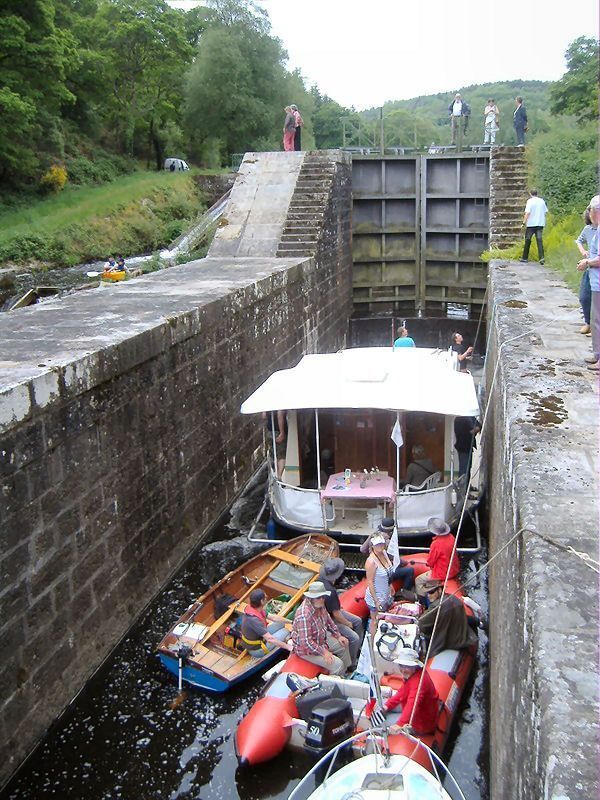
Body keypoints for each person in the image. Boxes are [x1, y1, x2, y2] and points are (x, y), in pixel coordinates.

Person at [291, 581, 351, 676]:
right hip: (306, 650)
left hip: (321, 639)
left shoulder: (320, 604)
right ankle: (335, 680)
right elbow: (306, 642)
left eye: (323, 596)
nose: (322, 599)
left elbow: (329, 621)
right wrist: (323, 652)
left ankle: (346, 672)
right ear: (311, 598)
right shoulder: (304, 615)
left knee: (343, 645)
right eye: (319, 597)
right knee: (337, 665)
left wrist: (338, 635)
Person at [375, 647, 440, 736]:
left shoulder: (418, 682)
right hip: (416, 712)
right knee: (381, 705)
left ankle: (378, 738)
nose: (403, 669)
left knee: (380, 722)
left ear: (414, 666)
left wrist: (400, 724)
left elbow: (413, 703)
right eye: (401, 666)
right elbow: (402, 692)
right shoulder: (414, 674)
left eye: (407, 666)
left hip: (420, 723)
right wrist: (387, 706)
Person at [319, 558, 363, 670]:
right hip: (330, 618)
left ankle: (357, 650)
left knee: (358, 620)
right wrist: (348, 623)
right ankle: (353, 663)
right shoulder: (331, 591)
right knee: (354, 637)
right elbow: (337, 615)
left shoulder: (320, 580)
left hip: (331, 613)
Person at [417, 580, 478, 658]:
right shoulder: (453, 598)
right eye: (427, 593)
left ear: (439, 590)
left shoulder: (436, 607)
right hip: (461, 638)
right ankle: (479, 623)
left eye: (431, 592)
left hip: (448, 642)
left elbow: (421, 625)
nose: (429, 596)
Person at [577, 194, 600, 372]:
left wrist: (587, 262)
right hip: (594, 280)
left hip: (598, 280)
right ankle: (597, 354)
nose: (589, 213)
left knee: (599, 320)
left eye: (591, 210)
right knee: (595, 319)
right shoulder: (593, 229)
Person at [414, 517, 460, 601]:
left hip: (442, 573)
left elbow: (430, 562)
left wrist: (429, 564)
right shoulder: (451, 537)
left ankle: (422, 600)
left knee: (418, 580)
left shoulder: (436, 544)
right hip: (454, 569)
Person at [240, 588, 293, 657]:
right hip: (258, 649)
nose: (267, 598)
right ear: (262, 601)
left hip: (260, 637)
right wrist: (288, 647)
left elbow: (273, 617)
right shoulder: (254, 620)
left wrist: (291, 622)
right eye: (266, 597)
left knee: (281, 623)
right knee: (285, 631)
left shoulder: (256, 609)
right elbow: (270, 639)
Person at [364, 534, 394, 632]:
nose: (380, 546)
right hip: (375, 597)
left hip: (385, 593)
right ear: (372, 546)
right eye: (377, 544)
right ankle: (372, 643)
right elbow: (370, 582)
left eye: (381, 544)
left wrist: (390, 585)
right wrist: (376, 601)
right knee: (375, 621)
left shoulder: (384, 553)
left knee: (383, 617)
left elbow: (388, 571)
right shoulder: (371, 562)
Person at [575, 206, 594, 335]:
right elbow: (579, 241)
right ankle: (588, 323)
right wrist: (584, 253)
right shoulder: (588, 230)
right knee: (584, 297)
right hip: (590, 268)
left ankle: (595, 326)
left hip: (594, 266)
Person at [519, 190, 548, 265]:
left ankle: (524, 258)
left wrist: (523, 223)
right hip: (540, 224)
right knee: (539, 240)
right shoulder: (542, 201)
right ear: (537, 193)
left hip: (531, 224)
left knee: (528, 240)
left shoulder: (530, 201)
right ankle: (541, 258)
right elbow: (545, 212)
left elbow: (527, 213)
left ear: (530, 194)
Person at [263, 410, 287, 478]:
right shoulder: (279, 403)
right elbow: (280, 414)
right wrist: (282, 432)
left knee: (274, 453)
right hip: (278, 432)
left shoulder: (268, 403)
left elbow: (263, 416)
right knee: (282, 455)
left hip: (270, 432)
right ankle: (279, 476)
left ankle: (275, 474)